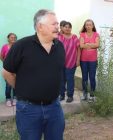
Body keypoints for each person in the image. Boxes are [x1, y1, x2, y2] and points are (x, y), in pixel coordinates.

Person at [2, 9, 65, 140]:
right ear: (40, 26)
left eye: (57, 24)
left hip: (54, 108)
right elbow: (7, 72)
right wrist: (20, 89)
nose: (57, 27)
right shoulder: (22, 46)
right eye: (53, 24)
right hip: (29, 110)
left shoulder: (60, 47)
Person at [58, 21, 80, 102]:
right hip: (60, 62)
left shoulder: (74, 37)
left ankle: (70, 96)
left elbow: (79, 49)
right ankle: (62, 95)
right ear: (62, 28)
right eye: (65, 27)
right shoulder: (58, 36)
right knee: (61, 79)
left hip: (71, 62)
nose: (67, 28)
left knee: (70, 79)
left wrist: (78, 60)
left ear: (71, 28)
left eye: (69, 27)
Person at [80, 19, 100, 101]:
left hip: (93, 60)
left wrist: (87, 44)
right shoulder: (82, 34)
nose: (88, 26)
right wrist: (92, 45)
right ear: (85, 26)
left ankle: (92, 95)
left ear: (93, 26)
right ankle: (85, 94)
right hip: (83, 60)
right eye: (87, 25)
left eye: (90, 25)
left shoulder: (96, 34)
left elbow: (97, 45)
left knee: (92, 77)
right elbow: (81, 45)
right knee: (84, 77)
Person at [0, 33, 17, 106]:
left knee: (16, 83)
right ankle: (8, 99)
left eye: (14, 37)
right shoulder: (5, 47)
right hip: (7, 69)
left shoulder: (17, 46)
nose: (13, 38)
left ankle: (15, 98)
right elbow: (1, 56)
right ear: (8, 38)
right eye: (11, 37)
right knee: (8, 84)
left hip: (16, 69)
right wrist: (6, 64)